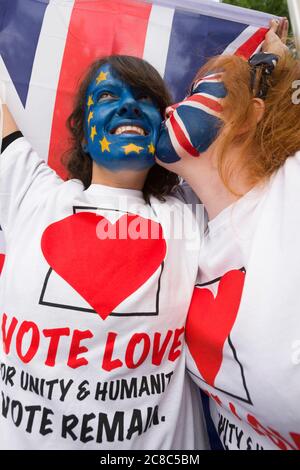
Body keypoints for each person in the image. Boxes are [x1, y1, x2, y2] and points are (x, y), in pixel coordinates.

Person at [0, 55, 207, 450]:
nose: (129, 106)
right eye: (109, 94)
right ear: (82, 131)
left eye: (145, 98)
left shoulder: (191, 214)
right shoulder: (30, 194)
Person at [155, 20, 300, 450]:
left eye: (197, 94)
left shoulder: (289, 190)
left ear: (250, 115)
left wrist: (279, 57)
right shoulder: (188, 238)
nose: (169, 109)